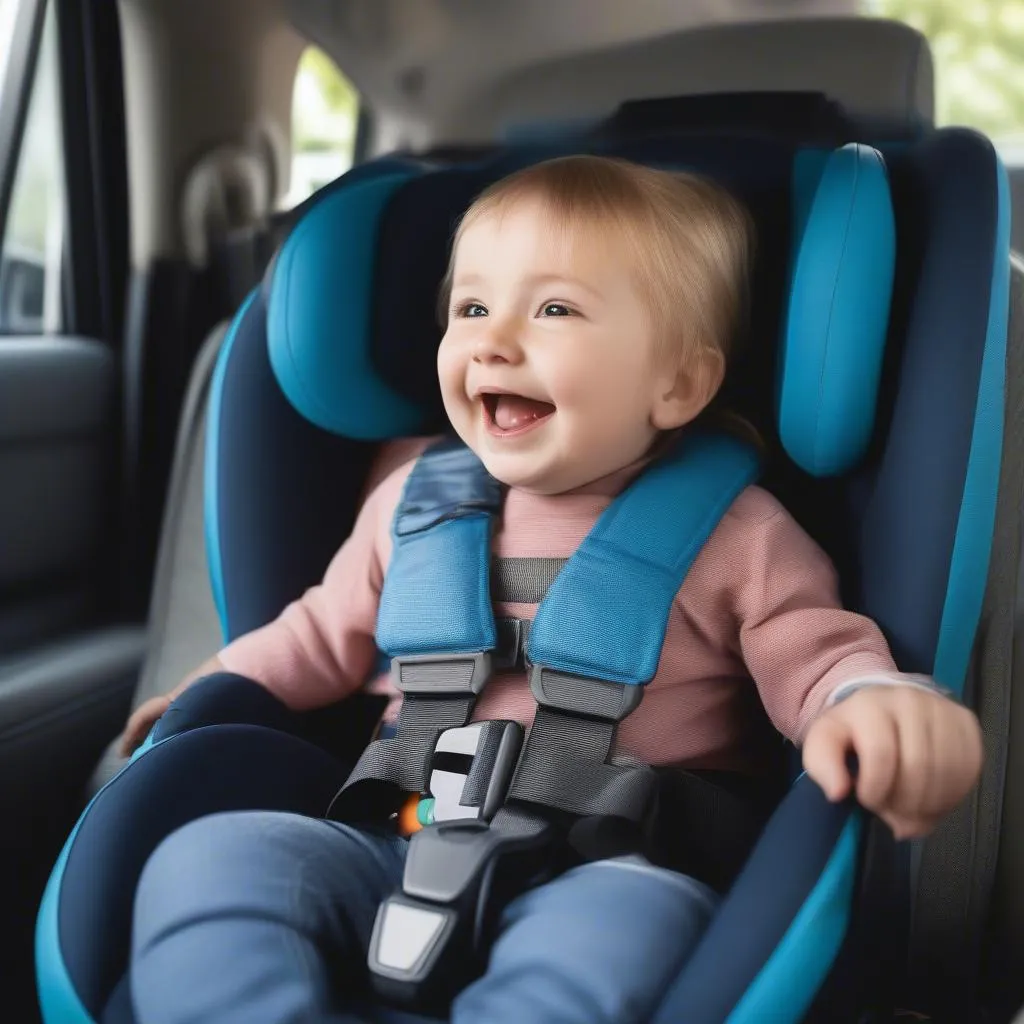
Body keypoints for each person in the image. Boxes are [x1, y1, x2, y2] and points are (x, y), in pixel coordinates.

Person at [122, 155, 983, 1024]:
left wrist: (872, 701)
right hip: (394, 841)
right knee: (209, 858)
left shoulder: (741, 535)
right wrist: (206, 688)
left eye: (556, 309)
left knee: (629, 931)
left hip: (612, 866)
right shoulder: (409, 506)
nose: (494, 340)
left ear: (678, 382)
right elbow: (315, 637)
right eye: (471, 308)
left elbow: (818, 661)